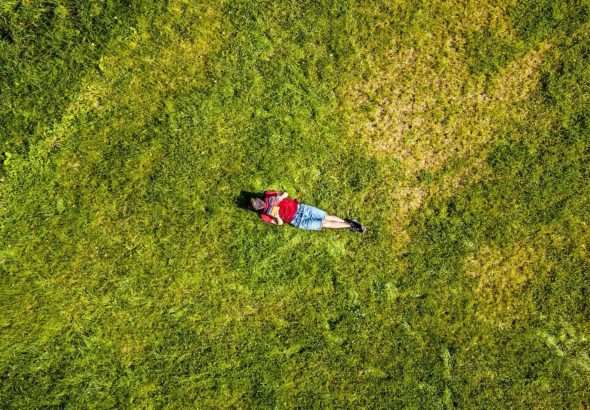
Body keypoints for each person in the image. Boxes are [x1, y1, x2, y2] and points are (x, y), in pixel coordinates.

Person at [249, 190, 366, 233]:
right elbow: (279, 223)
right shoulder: (264, 215)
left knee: (326, 216)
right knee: (324, 224)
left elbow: (285, 193)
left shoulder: (268, 195)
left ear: (259, 198)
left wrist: (280, 197)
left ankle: (350, 224)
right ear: (257, 209)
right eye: (258, 206)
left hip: (302, 208)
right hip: (297, 221)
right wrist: (277, 217)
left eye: (258, 201)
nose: (260, 204)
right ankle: (351, 224)